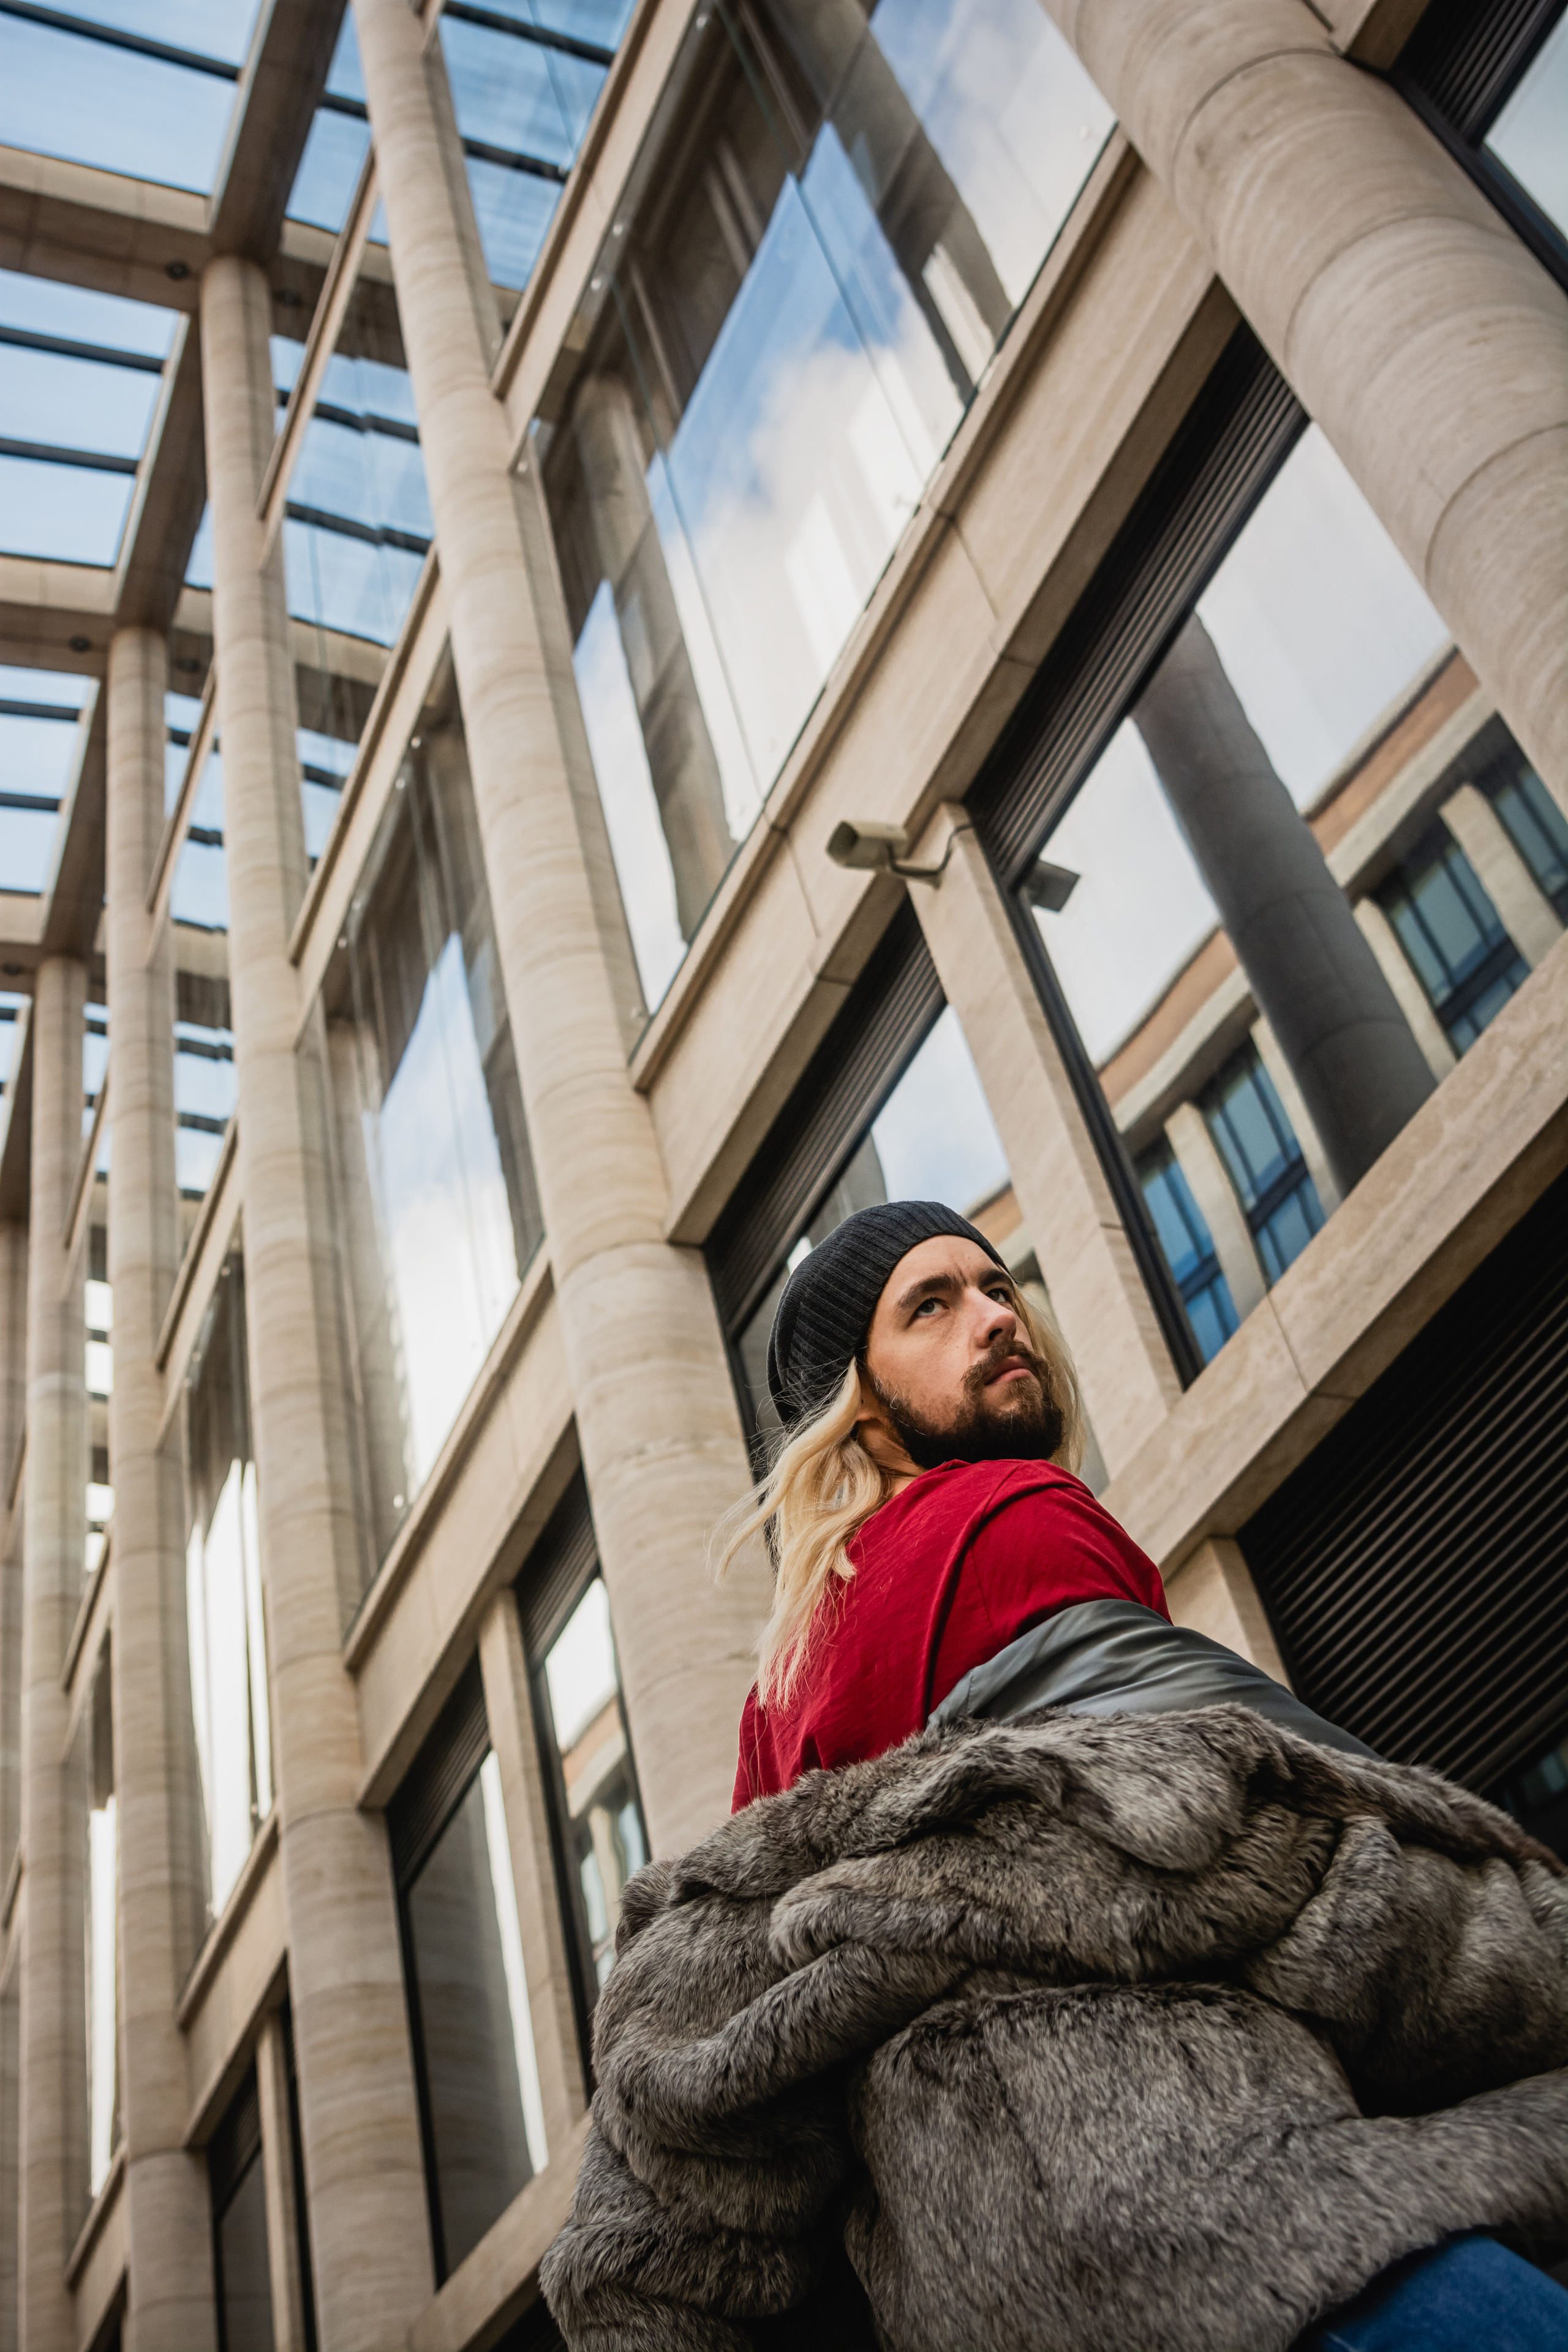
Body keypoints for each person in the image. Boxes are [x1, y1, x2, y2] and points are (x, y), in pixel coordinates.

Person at [717, 1198, 1568, 2352]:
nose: (996, 1318)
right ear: (860, 1411)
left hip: (989, 2295)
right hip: (1227, 2210)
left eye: (997, 1286)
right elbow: (1283, 1847)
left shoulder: (774, 1703)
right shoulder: (1008, 1516)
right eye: (933, 1304)